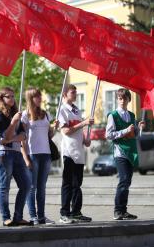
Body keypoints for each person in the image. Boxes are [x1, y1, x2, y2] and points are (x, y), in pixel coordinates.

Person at [0, 87, 32, 227]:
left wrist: (10, 138)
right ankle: (6, 218)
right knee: (5, 186)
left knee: (26, 185)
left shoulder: (16, 114)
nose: (12, 99)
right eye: (8, 96)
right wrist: (13, 123)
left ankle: (18, 216)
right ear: (2, 99)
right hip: (3, 154)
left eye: (13, 96)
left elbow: (23, 136)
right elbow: (2, 139)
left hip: (16, 153)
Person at [105, 88, 144, 220]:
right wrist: (125, 130)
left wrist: (139, 129)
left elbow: (133, 134)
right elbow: (108, 135)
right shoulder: (113, 115)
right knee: (123, 180)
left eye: (124, 98)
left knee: (127, 181)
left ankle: (123, 210)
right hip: (120, 152)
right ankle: (117, 210)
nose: (122, 101)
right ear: (117, 99)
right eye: (120, 98)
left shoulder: (132, 115)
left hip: (131, 151)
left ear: (128, 100)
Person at [57, 84, 94, 224]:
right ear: (65, 94)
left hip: (79, 152)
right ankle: (64, 213)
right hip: (69, 152)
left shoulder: (76, 110)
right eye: (73, 92)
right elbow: (65, 131)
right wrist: (83, 123)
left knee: (77, 184)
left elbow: (79, 130)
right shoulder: (62, 110)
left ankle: (76, 212)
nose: (75, 94)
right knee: (68, 183)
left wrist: (86, 139)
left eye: (76, 92)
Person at [21, 87, 57, 225]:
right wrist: (25, 157)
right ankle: (33, 216)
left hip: (46, 154)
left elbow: (49, 136)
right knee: (32, 187)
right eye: (36, 96)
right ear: (30, 98)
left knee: (42, 187)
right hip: (33, 154)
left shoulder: (45, 114)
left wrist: (54, 128)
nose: (40, 98)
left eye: (40, 96)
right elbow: (22, 139)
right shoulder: (25, 115)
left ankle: (41, 216)